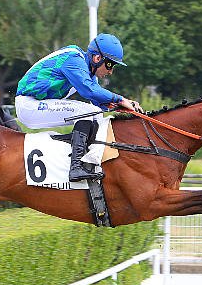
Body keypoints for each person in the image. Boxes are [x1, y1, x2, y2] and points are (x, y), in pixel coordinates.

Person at [15, 33, 143, 182]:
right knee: (86, 112)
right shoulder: (73, 59)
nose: (110, 71)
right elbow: (89, 91)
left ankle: (88, 160)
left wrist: (123, 106)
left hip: (37, 105)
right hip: (29, 105)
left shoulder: (88, 72)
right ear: (97, 58)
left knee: (96, 113)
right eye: (110, 65)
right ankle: (75, 167)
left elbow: (98, 102)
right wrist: (120, 99)